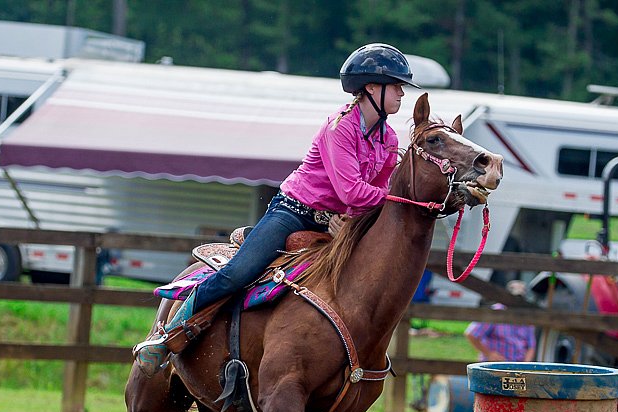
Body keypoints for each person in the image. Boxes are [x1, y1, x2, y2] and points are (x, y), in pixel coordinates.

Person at [133, 43, 419, 375]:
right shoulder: (339, 128)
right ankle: (167, 335)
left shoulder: (389, 139)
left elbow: (378, 189)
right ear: (371, 87)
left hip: (339, 220)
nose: (401, 93)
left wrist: (357, 217)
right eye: (396, 85)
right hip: (293, 212)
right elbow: (353, 190)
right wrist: (396, 202)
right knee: (239, 272)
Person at [465, 281, 536, 362]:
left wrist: (525, 365)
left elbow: (531, 346)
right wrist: (489, 354)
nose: (516, 302)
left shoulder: (526, 316)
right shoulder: (495, 312)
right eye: (514, 298)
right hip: (494, 365)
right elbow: (471, 334)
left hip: (517, 365)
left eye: (519, 299)